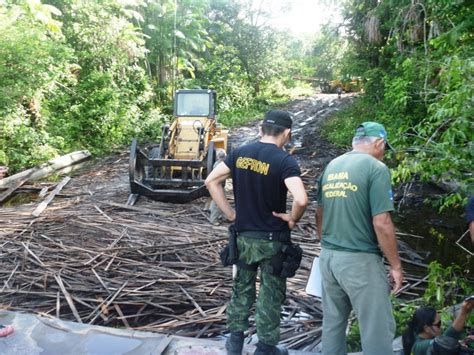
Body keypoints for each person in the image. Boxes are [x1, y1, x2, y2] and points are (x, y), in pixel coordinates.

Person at [205, 110, 308, 355]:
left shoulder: (239, 153)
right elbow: (301, 199)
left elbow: (211, 181)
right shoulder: (284, 161)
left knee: (241, 289)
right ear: (287, 133)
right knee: (270, 295)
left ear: (261, 129)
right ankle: (265, 348)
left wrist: (231, 214)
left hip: (242, 239)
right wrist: (292, 218)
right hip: (272, 241)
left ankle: (235, 343)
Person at [315, 121, 404, 355]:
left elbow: (319, 211)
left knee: (333, 325)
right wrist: (395, 266)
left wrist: (326, 243)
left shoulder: (332, 166)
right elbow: (381, 222)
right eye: (384, 148)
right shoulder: (376, 168)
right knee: (377, 328)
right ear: (378, 143)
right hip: (359, 261)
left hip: (329, 259)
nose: (384, 154)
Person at [402, 299, 474, 355]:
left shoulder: (426, 338)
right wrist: (458, 344)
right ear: (426, 328)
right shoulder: (421, 346)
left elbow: (448, 336)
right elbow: (443, 343)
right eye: (438, 324)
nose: (441, 326)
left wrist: (464, 311)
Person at [209, 149, 227, 225]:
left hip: (217, 185)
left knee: (220, 201)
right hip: (218, 186)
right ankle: (213, 220)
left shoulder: (217, 163)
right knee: (217, 202)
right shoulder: (220, 165)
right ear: (224, 157)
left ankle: (222, 216)